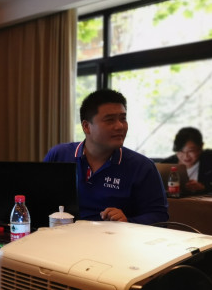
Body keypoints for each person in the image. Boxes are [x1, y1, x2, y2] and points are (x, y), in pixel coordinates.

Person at [44, 88, 168, 225]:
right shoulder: (59, 155)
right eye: (110, 120)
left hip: (114, 236)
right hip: (61, 234)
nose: (120, 126)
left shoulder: (142, 166)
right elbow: (38, 201)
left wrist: (128, 221)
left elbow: (160, 216)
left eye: (123, 119)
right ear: (86, 126)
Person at [160, 127, 212, 194]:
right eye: (180, 151)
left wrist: (204, 186)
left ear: (201, 147)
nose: (186, 156)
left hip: (206, 203)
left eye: (191, 151)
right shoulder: (167, 163)